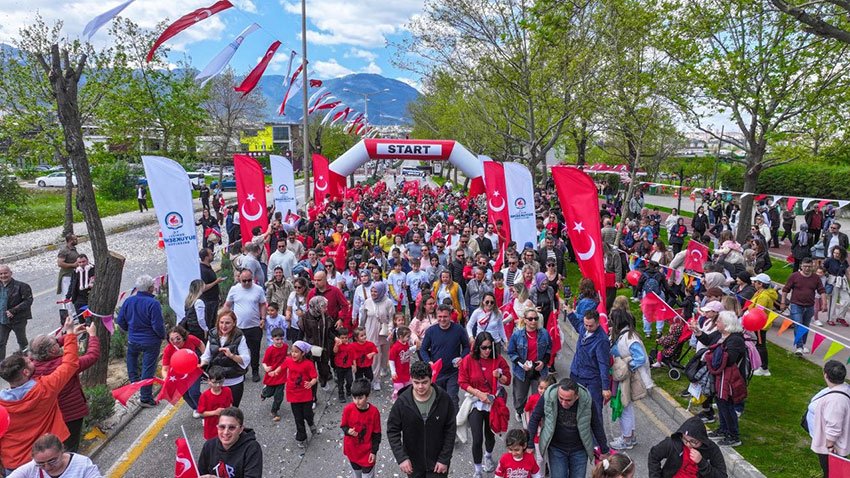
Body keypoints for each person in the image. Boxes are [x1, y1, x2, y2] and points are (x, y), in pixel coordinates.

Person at [0, 317, 80, 471]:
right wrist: (70, 334)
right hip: (47, 461)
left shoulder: (2, 406)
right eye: (29, 361)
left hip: (15, 464)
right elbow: (70, 363)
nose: (32, 360)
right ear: (25, 372)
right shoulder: (46, 388)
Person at [29, 321, 99, 453]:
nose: (58, 343)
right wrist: (93, 335)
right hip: (71, 413)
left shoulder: (32, 367)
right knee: (70, 447)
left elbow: (44, 348)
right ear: (53, 350)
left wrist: (70, 336)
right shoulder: (65, 365)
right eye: (56, 343)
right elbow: (92, 356)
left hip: (49, 414)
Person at [526, 378, 610, 478]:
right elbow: (534, 418)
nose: (564, 403)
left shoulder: (587, 400)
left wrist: (604, 449)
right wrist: (529, 444)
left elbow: (596, 424)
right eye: (561, 398)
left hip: (579, 449)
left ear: (577, 396)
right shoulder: (548, 396)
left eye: (568, 400)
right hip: (556, 448)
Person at [386, 361, 457, 478]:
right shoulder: (402, 402)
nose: (420, 387)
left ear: (431, 379)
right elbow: (392, 431)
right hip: (414, 465)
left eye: (424, 382)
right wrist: (402, 458)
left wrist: (444, 459)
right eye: (416, 382)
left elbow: (450, 430)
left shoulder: (444, 399)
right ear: (411, 380)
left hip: (438, 464)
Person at [458, 331, 511, 478]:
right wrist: (478, 394)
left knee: (489, 434)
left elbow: (508, 380)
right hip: (476, 403)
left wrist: (500, 376)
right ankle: (477, 469)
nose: (487, 350)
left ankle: (487, 457)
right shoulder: (468, 360)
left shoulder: (498, 360)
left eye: (490, 347)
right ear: (477, 348)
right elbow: (462, 382)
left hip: (492, 403)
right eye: (484, 347)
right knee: (477, 438)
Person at [699, 311, 748, 447]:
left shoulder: (735, 340)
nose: (716, 323)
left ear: (726, 325)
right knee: (721, 404)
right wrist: (697, 332)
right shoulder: (721, 335)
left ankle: (734, 436)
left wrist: (709, 355)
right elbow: (708, 340)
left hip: (730, 380)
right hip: (720, 377)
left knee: (728, 406)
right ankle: (723, 429)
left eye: (718, 321)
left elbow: (728, 360)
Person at [116, 275, 166, 408]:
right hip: (150, 341)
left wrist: (130, 330)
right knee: (148, 368)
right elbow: (157, 325)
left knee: (132, 363)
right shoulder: (153, 303)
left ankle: (134, 385)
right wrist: (162, 336)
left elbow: (120, 321)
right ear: (150, 288)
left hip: (133, 339)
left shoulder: (128, 301)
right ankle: (145, 397)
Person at [420, 304, 471, 412]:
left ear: (450, 316)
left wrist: (462, 358)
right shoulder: (431, 331)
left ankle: (454, 423)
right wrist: (428, 361)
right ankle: (440, 422)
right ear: (437, 316)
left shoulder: (459, 329)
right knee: (438, 399)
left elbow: (467, 347)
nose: (442, 319)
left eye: (445, 317)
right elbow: (423, 349)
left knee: (452, 398)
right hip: (437, 372)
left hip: (453, 372)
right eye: (440, 317)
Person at [806, 360, 850, 477]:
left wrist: (830, 447)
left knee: (832, 473)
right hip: (833, 446)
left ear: (825, 375)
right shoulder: (843, 388)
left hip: (832, 448)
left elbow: (834, 426)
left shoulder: (836, 400)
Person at [507, 309, 551, 423]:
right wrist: (522, 364)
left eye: (535, 318)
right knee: (520, 396)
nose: (533, 321)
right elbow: (511, 352)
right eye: (530, 319)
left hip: (539, 371)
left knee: (539, 395)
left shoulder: (544, 333)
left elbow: (549, 350)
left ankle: (536, 415)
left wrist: (543, 362)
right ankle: (520, 411)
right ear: (525, 320)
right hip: (522, 371)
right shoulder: (517, 335)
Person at [648, 416, 727, 478]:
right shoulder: (673, 443)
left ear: (702, 439)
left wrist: (702, 463)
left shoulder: (712, 449)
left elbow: (722, 476)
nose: (688, 444)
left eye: (693, 441)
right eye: (685, 439)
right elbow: (654, 455)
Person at [225, 270, 268, 382]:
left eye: (249, 280)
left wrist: (263, 318)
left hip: (254, 326)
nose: (247, 283)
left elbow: (263, 304)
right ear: (239, 279)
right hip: (238, 326)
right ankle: (241, 371)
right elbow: (227, 305)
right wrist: (223, 320)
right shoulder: (234, 289)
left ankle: (255, 370)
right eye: (244, 281)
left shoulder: (258, 289)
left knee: (255, 350)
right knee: (238, 350)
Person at [200, 310, 250, 407]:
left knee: (233, 410)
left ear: (234, 323)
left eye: (228, 323)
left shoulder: (239, 336)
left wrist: (232, 356)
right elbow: (207, 355)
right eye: (221, 322)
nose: (224, 326)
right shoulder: (213, 334)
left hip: (234, 380)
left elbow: (246, 359)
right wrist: (201, 364)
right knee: (217, 409)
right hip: (217, 381)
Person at [197, 407, 263, 478]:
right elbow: (200, 473)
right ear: (217, 427)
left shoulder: (251, 448)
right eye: (222, 427)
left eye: (231, 427)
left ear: (241, 429)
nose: (226, 432)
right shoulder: (209, 446)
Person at [781, 258, 826, 356]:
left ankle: (802, 344)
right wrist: (783, 302)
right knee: (798, 325)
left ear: (812, 267)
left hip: (809, 306)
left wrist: (824, 303)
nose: (807, 268)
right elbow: (785, 290)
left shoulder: (816, 278)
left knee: (805, 327)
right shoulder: (794, 276)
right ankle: (799, 347)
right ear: (801, 266)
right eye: (805, 266)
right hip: (796, 305)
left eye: (809, 267)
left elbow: (822, 291)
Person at [7, 433, 101, 478]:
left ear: (62, 451)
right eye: (41, 464)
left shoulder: (82, 464)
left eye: (52, 461)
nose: (47, 467)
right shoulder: (31, 468)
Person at [341, 378, 382, 478]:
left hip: (367, 452)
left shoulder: (374, 412)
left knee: (367, 475)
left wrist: (374, 451)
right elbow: (343, 426)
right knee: (357, 474)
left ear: (367, 396)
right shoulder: (348, 409)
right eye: (354, 398)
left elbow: (377, 434)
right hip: (352, 450)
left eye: (360, 398)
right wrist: (348, 431)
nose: (357, 401)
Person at [359, 282, 395, 391]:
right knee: (375, 357)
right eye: (372, 291)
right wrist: (360, 329)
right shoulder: (367, 302)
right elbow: (363, 317)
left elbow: (391, 319)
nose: (374, 293)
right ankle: (376, 380)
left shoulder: (388, 302)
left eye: (376, 291)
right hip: (371, 332)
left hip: (384, 333)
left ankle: (384, 368)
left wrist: (390, 330)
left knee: (384, 356)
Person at [284, 341, 319, 447]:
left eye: (296, 352)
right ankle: (301, 437)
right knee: (298, 417)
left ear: (303, 353)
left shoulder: (308, 364)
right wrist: (274, 372)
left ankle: (311, 422)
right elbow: (281, 368)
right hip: (293, 394)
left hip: (305, 395)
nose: (293, 354)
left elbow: (315, 377)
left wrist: (311, 383)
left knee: (307, 414)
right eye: (292, 351)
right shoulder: (288, 361)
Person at [0, 265, 33, 360]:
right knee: (1, 343)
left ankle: (27, 361)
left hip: (18, 320)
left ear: (11, 273)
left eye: (5, 273)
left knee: (22, 341)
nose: (3, 276)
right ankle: (1, 365)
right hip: (2, 320)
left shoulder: (22, 286)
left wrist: (13, 310)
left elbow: (28, 301)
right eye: (1, 274)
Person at [748, 273, 777, 377]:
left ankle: (764, 368)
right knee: (759, 344)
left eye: (755, 282)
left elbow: (758, 311)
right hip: (758, 323)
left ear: (760, 284)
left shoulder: (763, 296)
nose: (754, 283)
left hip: (760, 324)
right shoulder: (760, 293)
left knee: (761, 345)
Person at [260, 327, 288, 421]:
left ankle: (274, 410)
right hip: (271, 374)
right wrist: (266, 368)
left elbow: (285, 356)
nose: (280, 341)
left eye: (281, 339)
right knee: (269, 392)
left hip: (281, 375)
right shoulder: (270, 350)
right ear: (272, 339)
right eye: (277, 339)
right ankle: (264, 393)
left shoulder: (285, 347)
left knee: (279, 395)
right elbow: (264, 362)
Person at [197, 369, 233, 440]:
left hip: (225, 425)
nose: (218, 385)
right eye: (215, 382)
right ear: (209, 381)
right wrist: (215, 412)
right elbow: (201, 413)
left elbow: (230, 404)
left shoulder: (227, 391)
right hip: (211, 427)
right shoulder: (205, 396)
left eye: (220, 382)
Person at [199, 249, 224, 331]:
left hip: (214, 299)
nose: (213, 255)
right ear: (206, 257)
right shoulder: (203, 270)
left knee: (213, 323)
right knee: (209, 324)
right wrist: (216, 282)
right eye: (211, 254)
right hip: (208, 301)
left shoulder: (208, 267)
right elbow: (203, 288)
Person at [388, 326, 415, 401]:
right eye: (407, 337)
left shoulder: (406, 344)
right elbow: (391, 361)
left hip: (405, 372)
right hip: (398, 374)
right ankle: (396, 399)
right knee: (399, 389)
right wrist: (393, 372)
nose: (409, 338)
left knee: (408, 387)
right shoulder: (395, 347)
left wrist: (415, 348)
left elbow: (408, 351)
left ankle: (405, 400)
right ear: (400, 337)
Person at [56, 235, 79, 322]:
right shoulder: (64, 250)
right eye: (75, 239)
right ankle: (70, 316)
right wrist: (73, 265)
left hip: (73, 275)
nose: (77, 240)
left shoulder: (73, 249)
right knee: (67, 296)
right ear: (70, 240)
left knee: (73, 294)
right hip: (66, 276)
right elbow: (60, 263)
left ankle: (74, 315)